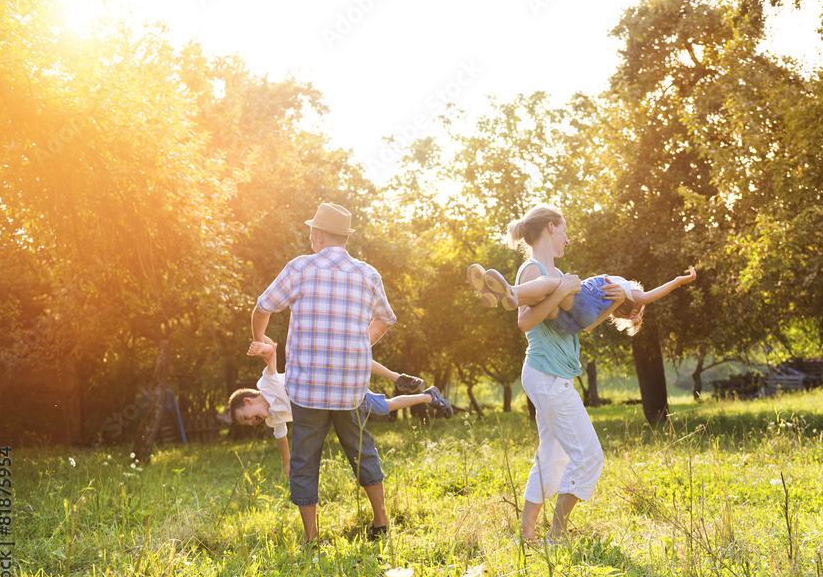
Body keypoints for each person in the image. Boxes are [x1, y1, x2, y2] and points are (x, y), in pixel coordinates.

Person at [250, 202, 396, 542]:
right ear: (344, 238)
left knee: (303, 460)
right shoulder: (367, 273)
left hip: (308, 390)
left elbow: (262, 306)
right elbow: (386, 318)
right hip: (350, 387)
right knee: (363, 452)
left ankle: (311, 538)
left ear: (316, 235)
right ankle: (380, 522)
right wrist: (363, 341)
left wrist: (260, 340)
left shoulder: (301, 268)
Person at [502, 204, 623, 545]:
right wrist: (560, 288)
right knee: (589, 455)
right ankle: (557, 535)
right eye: (566, 230)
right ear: (552, 228)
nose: (568, 240)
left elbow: (576, 328)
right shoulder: (533, 270)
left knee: (553, 455)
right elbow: (524, 322)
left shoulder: (556, 275)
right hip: (547, 374)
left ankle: (527, 533)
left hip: (554, 375)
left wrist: (611, 306)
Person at [228, 340, 454, 481]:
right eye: (247, 423)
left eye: (246, 418)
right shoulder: (273, 418)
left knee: (353, 359)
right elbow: (281, 438)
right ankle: (428, 396)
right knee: (383, 407)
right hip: (334, 398)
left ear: (248, 401)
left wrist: (262, 346)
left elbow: (271, 356)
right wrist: (287, 464)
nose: (251, 423)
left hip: (324, 377)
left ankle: (397, 377)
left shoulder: (266, 385)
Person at [467, 264, 696, 336]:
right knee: (545, 297)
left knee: (550, 283)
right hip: (571, 324)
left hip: (585, 301)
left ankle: (511, 290)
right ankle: (499, 296)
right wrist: (616, 305)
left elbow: (647, 297)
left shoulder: (626, 291)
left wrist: (678, 280)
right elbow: (586, 329)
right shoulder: (612, 303)